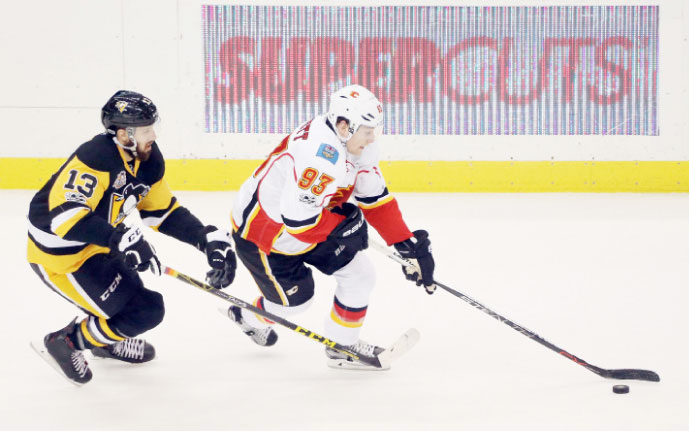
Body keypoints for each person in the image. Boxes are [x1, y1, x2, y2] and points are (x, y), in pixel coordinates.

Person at [27, 90, 237, 385]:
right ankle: (67, 342)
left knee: (145, 308)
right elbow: (65, 218)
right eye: (145, 129)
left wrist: (205, 239)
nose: (153, 134)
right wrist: (120, 239)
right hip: (63, 259)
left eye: (153, 126)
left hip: (102, 244)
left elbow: (162, 211)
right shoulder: (96, 157)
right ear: (123, 134)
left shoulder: (146, 159)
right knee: (139, 314)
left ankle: (105, 340)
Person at [222, 84, 436, 369]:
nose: (372, 139)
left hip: (310, 220)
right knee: (294, 305)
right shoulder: (321, 157)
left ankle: (341, 345)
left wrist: (405, 244)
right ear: (344, 125)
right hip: (265, 235)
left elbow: (373, 196)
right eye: (367, 131)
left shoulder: (354, 142)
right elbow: (298, 222)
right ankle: (245, 316)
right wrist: (343, 228)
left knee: (360, 274)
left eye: (375, 131)